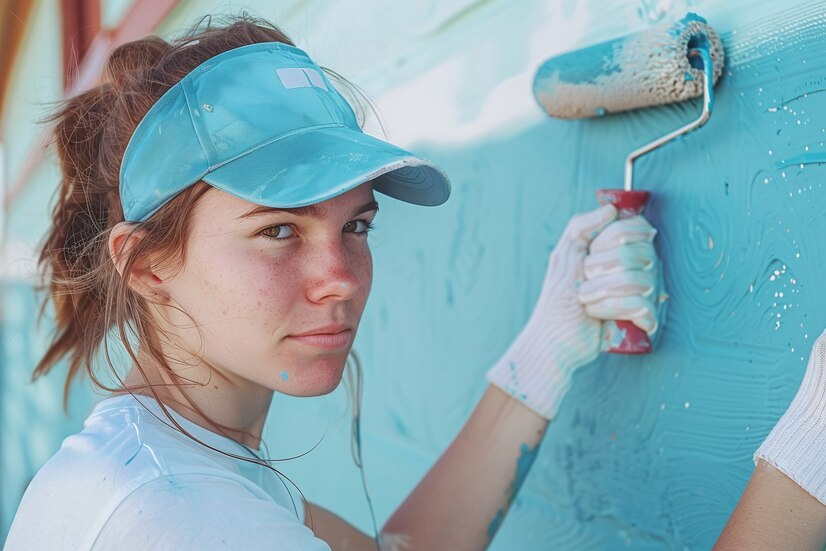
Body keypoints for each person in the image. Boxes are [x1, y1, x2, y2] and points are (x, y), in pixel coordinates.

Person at [3, 15, 662, 551]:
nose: (340, 279)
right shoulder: (178, 514)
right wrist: (773, 455)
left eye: (358, 226)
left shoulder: (164, 457)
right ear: (146, 265)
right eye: (279, 231)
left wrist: (543, 355)